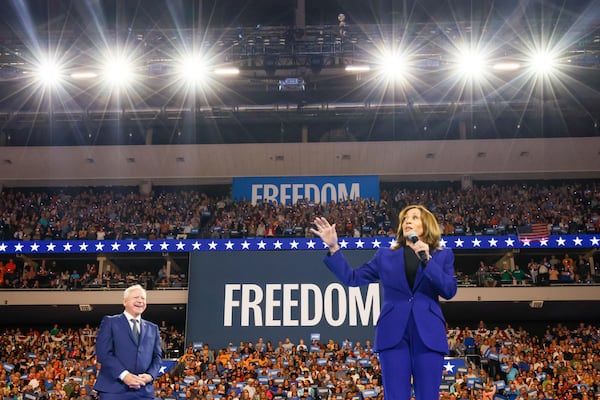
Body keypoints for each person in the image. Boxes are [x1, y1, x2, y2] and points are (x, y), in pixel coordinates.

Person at [311, 204, 457, 400]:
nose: (408, 221)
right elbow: (353, 278)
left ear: (426, 225)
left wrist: (427, 260)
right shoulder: (385, 255)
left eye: (414, 217)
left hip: (429, 334)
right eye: (405, 218)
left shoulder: (442, 255)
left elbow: (449, 290)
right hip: (393, 334)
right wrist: (333, 247)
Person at [94, 284, 162, 399]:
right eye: (136, 297)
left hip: (143, 391)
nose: (140, 301)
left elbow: (157, 357)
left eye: (143, 298)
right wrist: (124, 375)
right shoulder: (110, 322)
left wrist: (150, 376)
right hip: (114, 390)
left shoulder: (153, 328)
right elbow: (103, 353)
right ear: (125, 302)